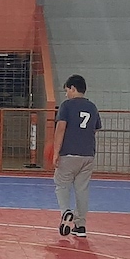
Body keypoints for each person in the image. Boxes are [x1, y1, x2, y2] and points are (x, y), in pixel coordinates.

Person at [52, 74, 102, 238]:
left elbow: (61, 128)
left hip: (69, 153)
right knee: (82, 189)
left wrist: (56, 152)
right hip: (88, 154)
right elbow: (95, 128)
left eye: (67, 90)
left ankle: (66, 211)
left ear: (73, 88)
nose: (66, 94)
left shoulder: (66, 106)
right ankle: (80, 226)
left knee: (61, 184)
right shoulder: (92, 107)